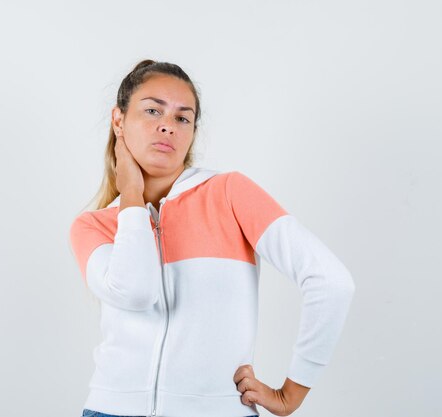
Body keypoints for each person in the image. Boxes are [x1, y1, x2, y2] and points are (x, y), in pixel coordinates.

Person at [69, 59, 356, 417]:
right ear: (119, 120)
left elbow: (331, 282)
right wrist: (131, 197)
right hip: (111, 409)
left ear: (192, 132)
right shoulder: (93, 226)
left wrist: (292, 392)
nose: (167, 126)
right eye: (152, 110)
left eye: (182, 118)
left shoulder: (229, 193)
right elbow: (137, 292)